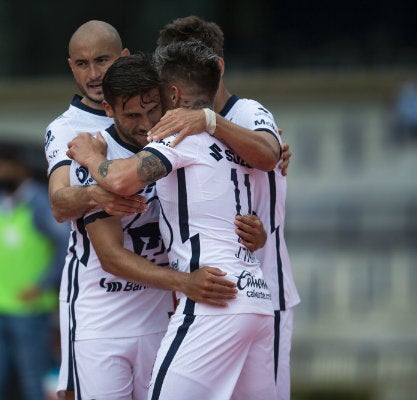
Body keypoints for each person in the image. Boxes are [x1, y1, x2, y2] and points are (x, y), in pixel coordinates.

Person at [68, 40, 276, 399]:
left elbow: (119, 179)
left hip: (214, 299)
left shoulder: (177, 136)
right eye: (134, 114)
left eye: (157, 100)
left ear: (174, 94)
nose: (150, 121)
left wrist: (88, 157)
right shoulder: (235, 141)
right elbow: (269, 157)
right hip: (256, 298)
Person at [147, 16, 301, 400]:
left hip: (264, 288)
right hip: (210, 295)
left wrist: (210, 121)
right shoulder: (175, 127)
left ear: (216, 67)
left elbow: (268, 154)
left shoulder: (245, 112)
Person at [44, 20, 147, 400]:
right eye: (83, 64)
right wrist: (97, 196)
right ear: (71, 66)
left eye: (102, 60)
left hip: (159, 298)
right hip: (98, 295)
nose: (93, 74)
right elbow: (58, 202)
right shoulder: (67, 128)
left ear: (124, 58)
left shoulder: (152, 112)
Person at [0, 149, 69, 400]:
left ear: (21, 168)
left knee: (33, 385)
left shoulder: (39, 203)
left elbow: (66, 244)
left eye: (4, 165)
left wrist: (44, 283)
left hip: (31, 310)